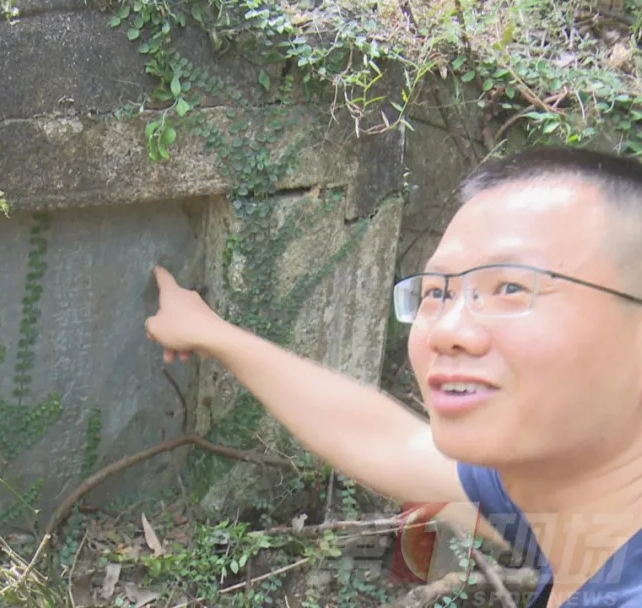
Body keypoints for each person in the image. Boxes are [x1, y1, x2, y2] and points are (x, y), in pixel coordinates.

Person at [144, 146, 642, 608]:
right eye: (437, 292)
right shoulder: (576, 510)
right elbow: (386, 440)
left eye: (511, 287)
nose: (446, 330)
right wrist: (213, 333)